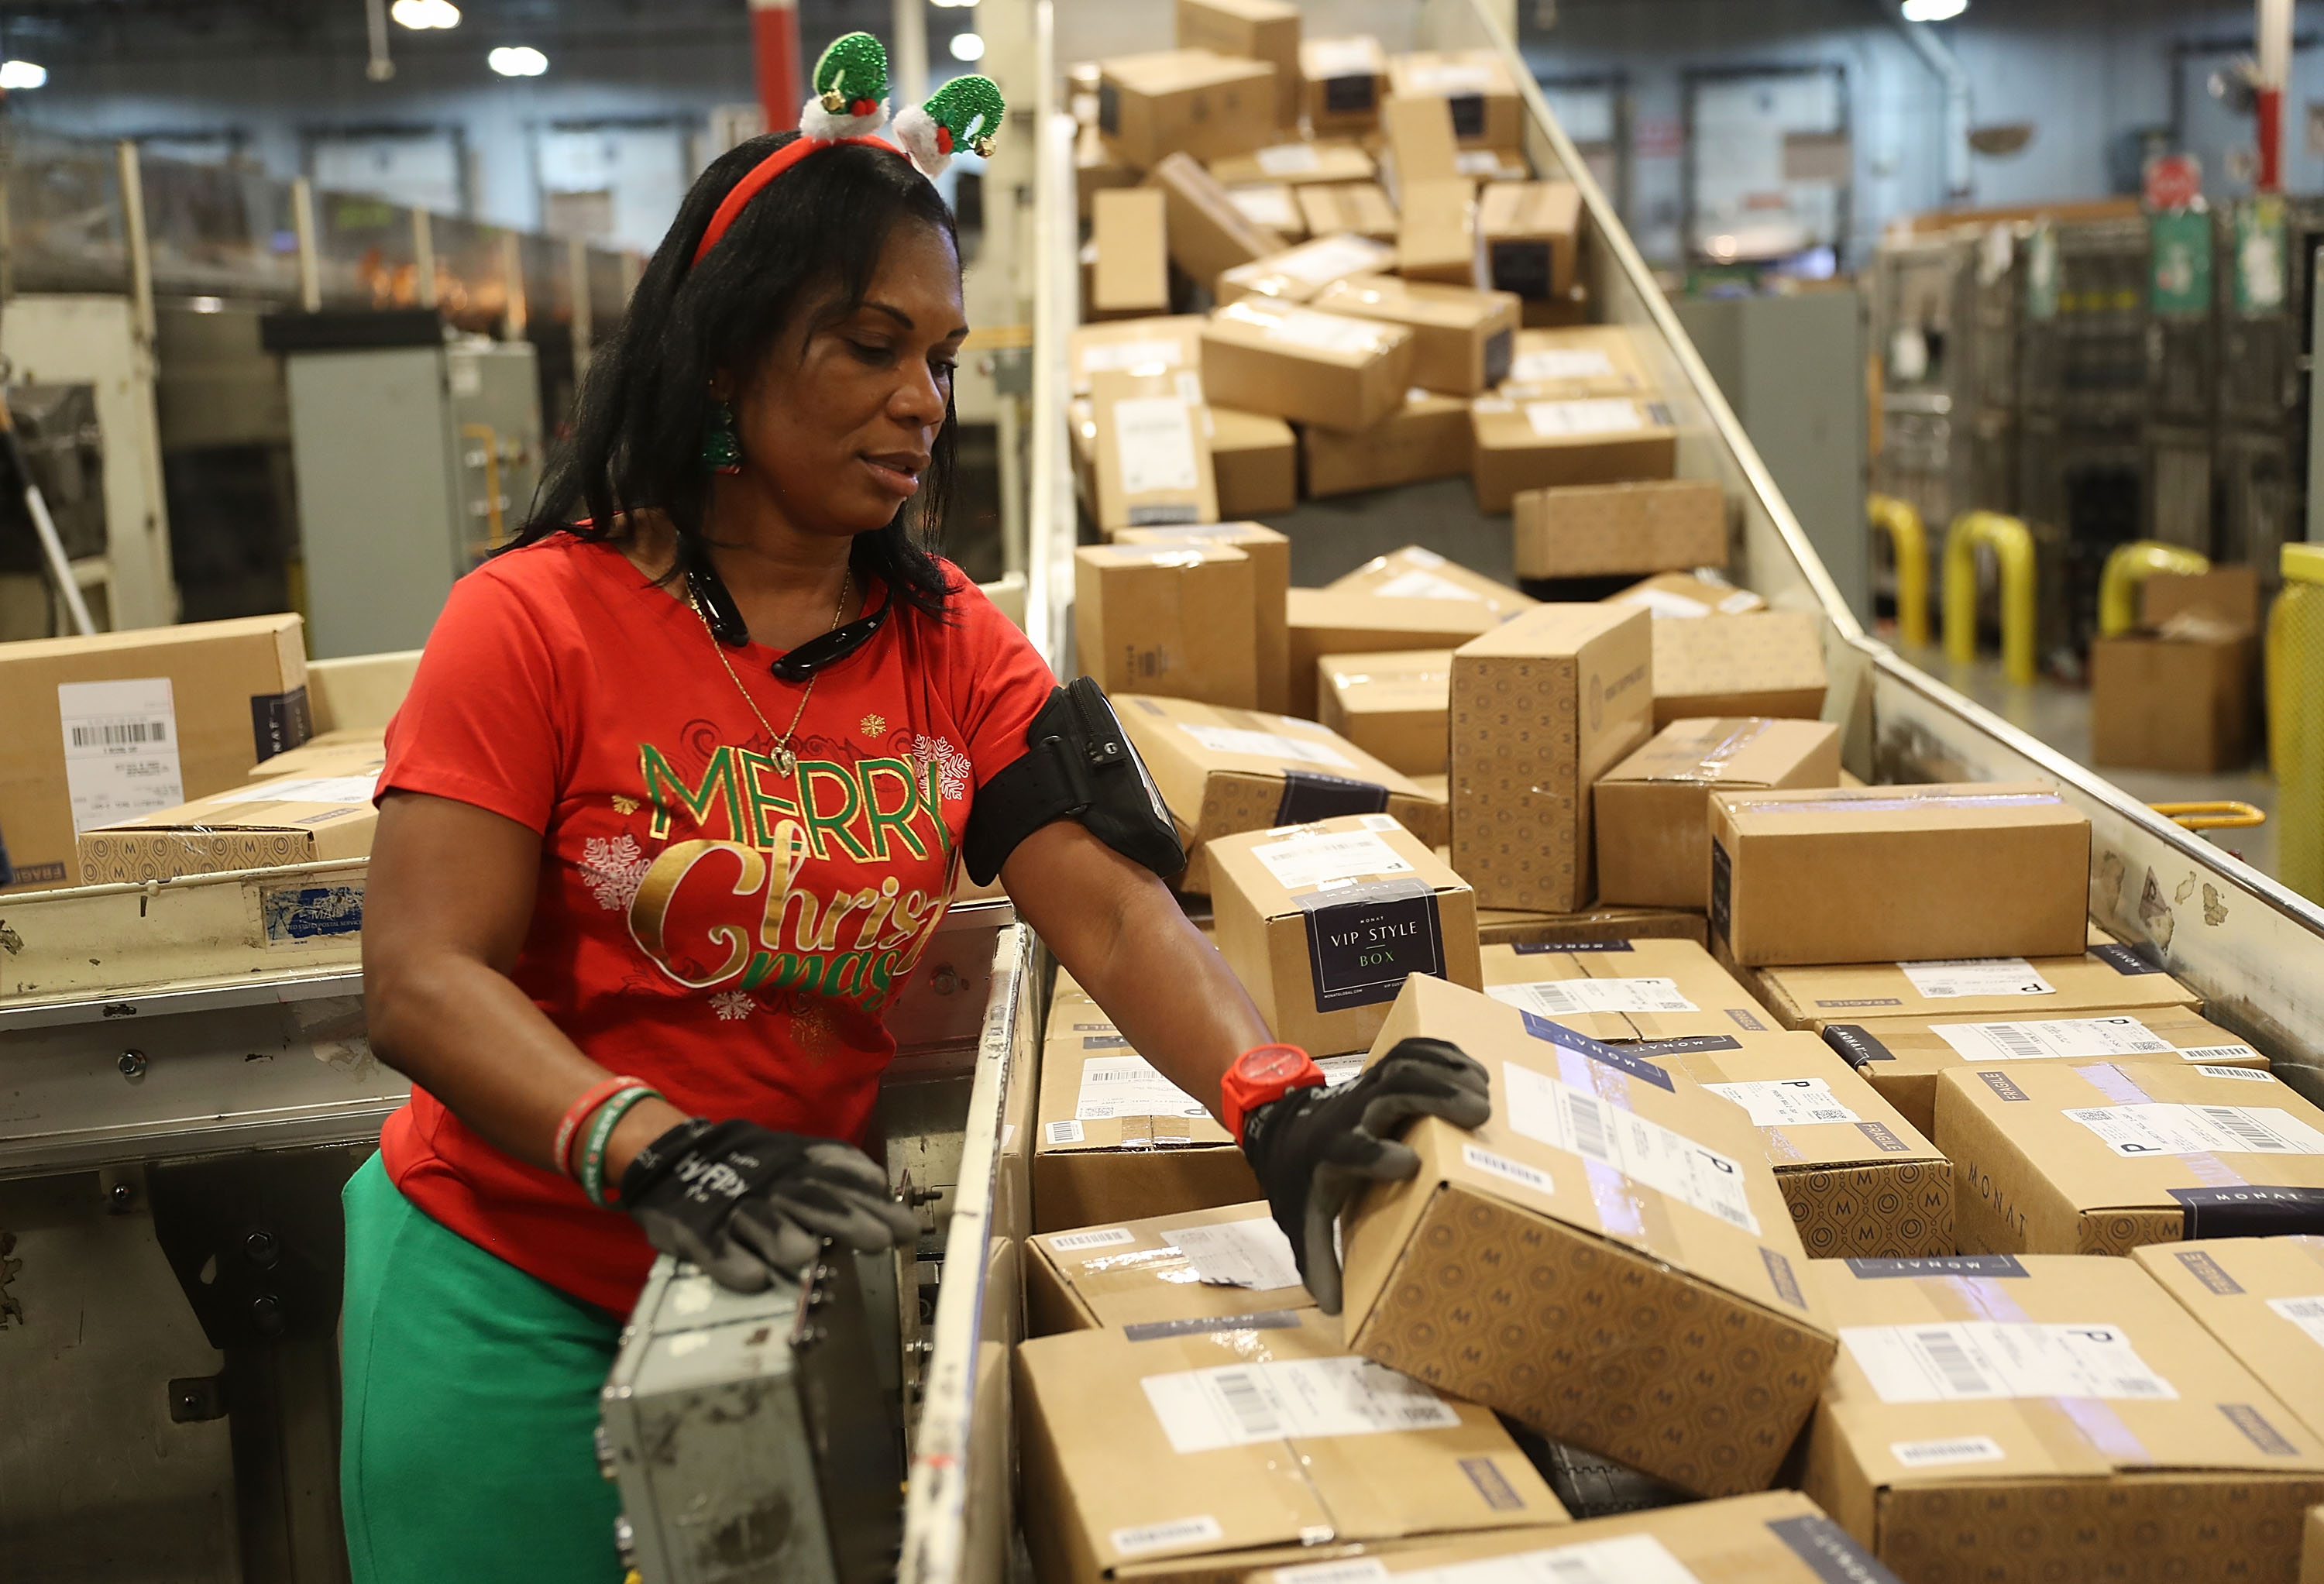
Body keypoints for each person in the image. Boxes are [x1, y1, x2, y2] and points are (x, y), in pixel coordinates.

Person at [342, 38, 1487, 1584]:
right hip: (508, 1289)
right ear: (728, 354)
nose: (921, 402)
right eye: (870, 346)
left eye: (940, 357)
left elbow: (1106, 900)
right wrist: (655, 1146)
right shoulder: (532, 621)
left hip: (760, 1294)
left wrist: (1274, 1102)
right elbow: (420, 978)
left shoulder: (945, 638)